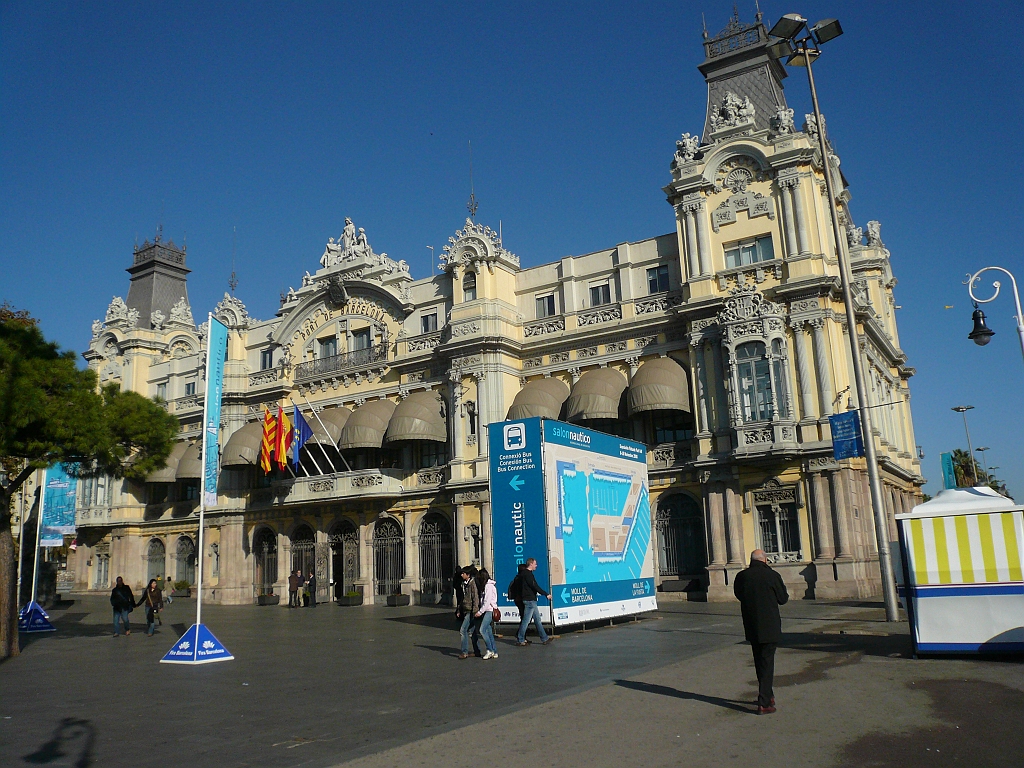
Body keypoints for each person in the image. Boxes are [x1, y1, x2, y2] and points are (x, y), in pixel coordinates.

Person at [733, 549, 789, 715]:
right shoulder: (772, 575)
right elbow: (783, 599)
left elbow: (739, 594)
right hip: (770, 625)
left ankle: (768, 695)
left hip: (752, 625)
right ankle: (764, 702)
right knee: (767, 662)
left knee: (760, 661)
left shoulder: (742, 576)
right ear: (765, 560)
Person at [516, 557, 553, 647]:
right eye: (535, 564)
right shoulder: (528, 575)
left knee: (537, 620)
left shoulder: (523, 574)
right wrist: (545, 594)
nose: (536, 566)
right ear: (531, 564)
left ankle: (544, 638)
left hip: (530, 600)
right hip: (530, 600)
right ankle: (520, 638)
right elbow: (534, 586)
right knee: (526, 621)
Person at [474, 568, 499, 660]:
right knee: (488, 631)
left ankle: (489, 650)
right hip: (488, 610)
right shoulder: (489, 586)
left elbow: (487, 601)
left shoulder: (488, 586)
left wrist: (480, 612)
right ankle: (494, 651)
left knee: (482, 630)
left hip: (489, 610)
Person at [456, 567, 480, 659]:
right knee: (472, 631)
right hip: (466, 609)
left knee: (463, 630)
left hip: (471, 610)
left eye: (463, 573)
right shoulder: (464, 584)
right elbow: (462, 598)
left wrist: (475, 610)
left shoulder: (472, 584)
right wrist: (459, 609)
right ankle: (477, 651)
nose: (462, 575)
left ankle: (464, 652)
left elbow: (475, 597)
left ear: (468, 575)